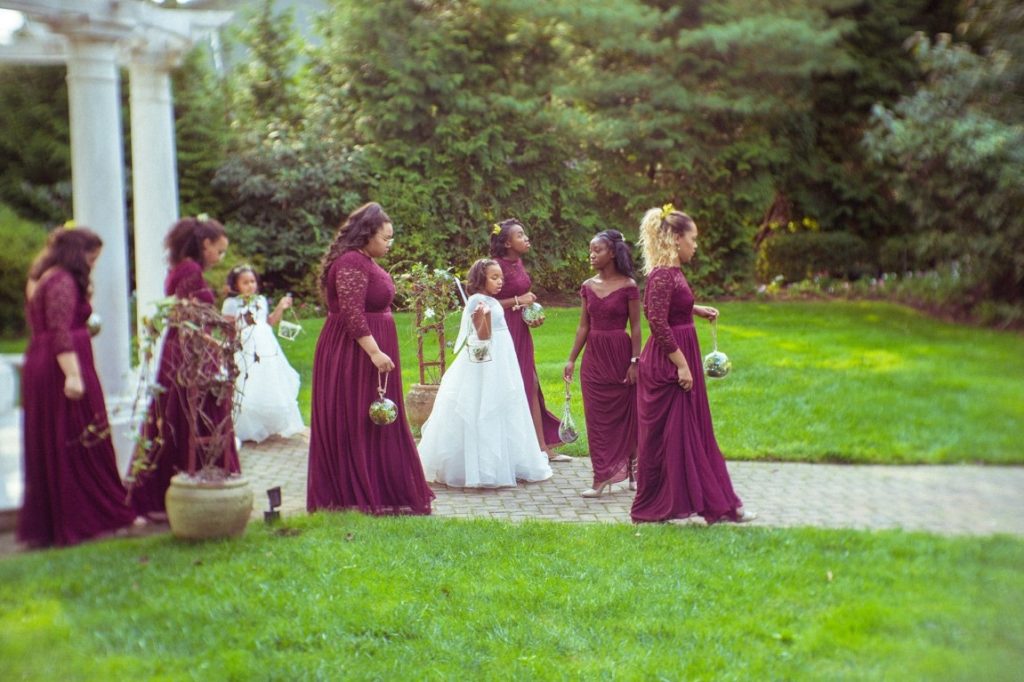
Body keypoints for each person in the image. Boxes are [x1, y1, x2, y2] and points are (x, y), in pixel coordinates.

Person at [629, 205, 756, 524]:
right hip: (668, 363)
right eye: (692, 238)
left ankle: (718, 502)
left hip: (678, 354)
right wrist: (682, 366)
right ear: (675, 239)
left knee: (694, 433)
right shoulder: (662, 274)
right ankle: (705, 504)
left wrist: (694, 309)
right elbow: (656, 321)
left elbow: (668, 308)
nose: (695, 245)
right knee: (678, 436)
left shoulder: (671, 273)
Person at [307, 202, 433, 515]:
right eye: (385, 238)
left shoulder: (364, 260)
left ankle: (380, 486)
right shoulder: (351, 261)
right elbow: (351, 312)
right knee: (358, 418)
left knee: (376, 419)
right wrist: (375, 351)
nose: (389, 244)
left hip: (365, 348)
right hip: (354, 351)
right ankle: (354, 492)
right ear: (367, 235)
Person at [18, 226, 137, 547]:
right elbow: (59, 330)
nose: (93, 263)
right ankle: (87, 515)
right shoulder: (61, 281)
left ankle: (68, 516)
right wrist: (72, 374)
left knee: (63, 438)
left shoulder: (44, 276)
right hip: (62, 365)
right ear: (76, 253)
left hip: (47, 362)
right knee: (79, 436)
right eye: (91, 257)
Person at [128, 216, 240, 521]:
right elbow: (185, 318)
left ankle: (171, 495)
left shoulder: (182, 268)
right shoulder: (190, 270)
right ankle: (179, 493)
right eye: (219, 250)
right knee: (184, 417)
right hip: (188, 353)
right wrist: (218, 343)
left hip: (183, 349)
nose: (220, 257)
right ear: (205, 244)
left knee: (177, 416)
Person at [419, 259, 553, 488]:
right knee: (483, 405)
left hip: (502, 359)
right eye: (494, 277)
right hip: (486, 363)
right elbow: (482, 336)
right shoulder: (477, 301)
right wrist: (485, 317)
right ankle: (482, 469)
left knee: (504, 404)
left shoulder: (490, 300)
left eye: (501, 277)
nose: (500, 281)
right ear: (481, 279)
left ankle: (508, 461)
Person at [563, 230, 641, 498]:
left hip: (620, 354)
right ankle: (601, 477)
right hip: (594, 358)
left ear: (612, 253)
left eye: (597, 250)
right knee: (596, 419)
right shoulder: (587, 286)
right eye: (590, 250)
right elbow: (583, 325)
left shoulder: (629, 285)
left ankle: (633, 468)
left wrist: (635, 362)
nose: (592, 255)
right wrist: (572, 359)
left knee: (626, 414)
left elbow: (637, 326)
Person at [490, 219, 570, 463]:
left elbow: (522, 300)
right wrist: (518, 301)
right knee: (516, 385)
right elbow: (483, 301)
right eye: (520, 235)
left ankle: (541, 446)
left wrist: (532, 313)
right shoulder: (495, 267)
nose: (526, 239)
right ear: (506, 242)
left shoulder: (518, 263)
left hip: (521, 330)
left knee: (531, 384)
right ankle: (517, 448)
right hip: (502, 332)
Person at [221, 265, 304, 443]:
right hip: (245, 346)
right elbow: (227, 328)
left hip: (266, 347)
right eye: (245, 283)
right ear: (236, 285)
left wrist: (281, 306)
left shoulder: (261, 300)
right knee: (246, 381)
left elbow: (269, 321)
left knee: (267, 381)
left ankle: (266, 423)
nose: (250, 285)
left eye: (253, 281)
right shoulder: (232, 303)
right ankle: (244, 425)